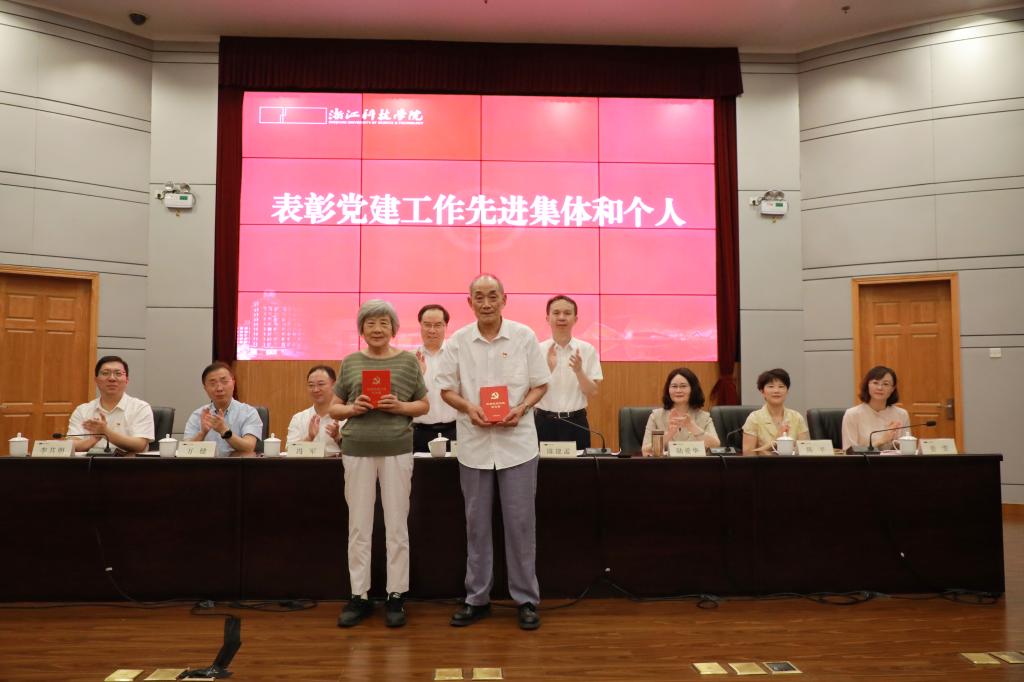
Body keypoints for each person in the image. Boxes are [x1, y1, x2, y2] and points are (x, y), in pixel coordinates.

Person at [437, 274, 550, 631]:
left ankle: (526, 599)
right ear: (469, 302)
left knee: (520, 525)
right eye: (479, 297)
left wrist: (522, 408)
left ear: (504, 299)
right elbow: (446, 389)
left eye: (492, 296)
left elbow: (540, 384)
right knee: (476, 526)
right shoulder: (458, 341)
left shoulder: (524, 336)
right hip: (474, 445)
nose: (486, 303)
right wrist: (469, 408)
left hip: (518, 445)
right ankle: (477, 598)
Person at [329, 300, 428, 629]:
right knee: (359, 526)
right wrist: (352, 409)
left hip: (397, 448)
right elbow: (334, 408)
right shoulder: (350, 362)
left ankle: (396, 595)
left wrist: (399, 406)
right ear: (361, 329)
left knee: (397, 525)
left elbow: (423, 405)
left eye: (384, 323)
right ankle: (359, 595)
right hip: (357, 448)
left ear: (394, 328)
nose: (377, 329)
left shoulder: (408, 362)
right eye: (370, 323)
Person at [534, 295, 602, 451]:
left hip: (576, 422)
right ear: (547, 318)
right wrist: (548, 369)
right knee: (544, 466)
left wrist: (579, 371)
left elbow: (592, 391)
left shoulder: (587, 349)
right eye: (556, 313)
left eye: (567, 313)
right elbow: (530, 390)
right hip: (544, 422)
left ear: (575, 319)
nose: (561, 317)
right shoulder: (537, 350)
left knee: (578, 466)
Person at [67, 356, 153, 453]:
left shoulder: (140, 408)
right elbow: (72, 445)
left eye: (118, 373)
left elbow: (140, 445)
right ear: (96, 380)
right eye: (105, 373)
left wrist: (106, 432)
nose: (112, 378)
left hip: (128, 462)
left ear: (126, 380)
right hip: (91, 462)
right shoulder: (82, 410)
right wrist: (93, 439)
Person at [183, 361, 263, 455]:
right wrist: (202, 433)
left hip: (236, 464)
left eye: (224, 381)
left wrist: (224, 431)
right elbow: (184, 451)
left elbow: (249, 447)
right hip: (206, 464)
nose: (219, 388)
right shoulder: (198, 415)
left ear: (233, 383)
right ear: (205, 389)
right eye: (213, 383)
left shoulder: (248, 413)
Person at [412, 304, 459, 453]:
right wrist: (418, 375)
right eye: (427, 325)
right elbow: (403, 398)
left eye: (438, 325)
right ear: (420, 325)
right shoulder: (410, 358)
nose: (432, 330)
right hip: (419, 432)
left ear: (446, 326)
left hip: (455, 431)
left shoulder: (457, 355)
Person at [641, 367, 720, 456]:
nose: (678, 390)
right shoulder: (656, 416)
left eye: (683, 386)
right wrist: (669, 434)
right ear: (668, 390)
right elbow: (646, 451)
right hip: (665, 464)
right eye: (674, 386)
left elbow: (716, 446)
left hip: (695, 464)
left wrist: (692, 427)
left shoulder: (704, 417)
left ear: (692, 389)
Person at [841, 365, 910, 450]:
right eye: (875, 383)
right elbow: (849, 452)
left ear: (892, 389)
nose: (880, 388)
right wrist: (882, 440)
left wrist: (895, 441)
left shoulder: (901, 414)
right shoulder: (852, 414)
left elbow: (907, 450)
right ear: (868, 385)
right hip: (864, 459)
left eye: (885, 384)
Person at [741, 368, 809, 454]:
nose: (776, 391)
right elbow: (748, 453)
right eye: (771, 386)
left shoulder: (796, 417)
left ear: (787, 391)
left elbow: (804, 450)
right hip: (763, 462)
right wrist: (776, 440)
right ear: (762, 391)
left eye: (781, 386)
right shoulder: (754, 418)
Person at [286, 365, 343, 455]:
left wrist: (337, 437)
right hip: (308, 464)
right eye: (311, 385)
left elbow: (357, 453)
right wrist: (309, 438)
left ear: (334, 385)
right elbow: (290, 452)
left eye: (321, 384)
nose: (315, 390)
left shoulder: (346, 417)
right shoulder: (299, 418)